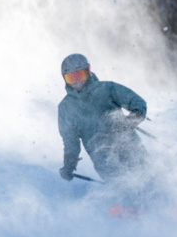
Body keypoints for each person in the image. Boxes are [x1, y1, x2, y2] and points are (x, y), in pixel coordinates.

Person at [56, 53, 149, 184]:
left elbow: (137, 102)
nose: (77, 81)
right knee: (118, 180)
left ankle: (159, 193)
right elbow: (71, 142)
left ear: (88, 72)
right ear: (64, 79)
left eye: (80, 75)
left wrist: (133, 118)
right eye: (71, 78)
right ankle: (125, 199)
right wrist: (69, 165)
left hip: (125, 140)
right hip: (101, 153)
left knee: (143, 171)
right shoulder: (66, 108)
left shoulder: (107, 89)